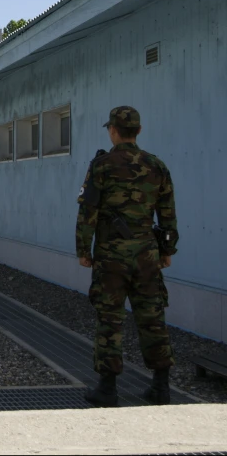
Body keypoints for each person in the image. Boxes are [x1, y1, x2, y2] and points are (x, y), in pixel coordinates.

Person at [76, 106, 179, 407]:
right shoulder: (156, 165)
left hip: (111, 257)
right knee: (153, 318)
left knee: (110, 319)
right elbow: (168, 214)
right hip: (147, 254)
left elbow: (88, 212)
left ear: (113, 130)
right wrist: (167, 251)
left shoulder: (102, 166)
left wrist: (84, 250)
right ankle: (161, 387)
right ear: (139, 131)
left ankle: (107, 390)